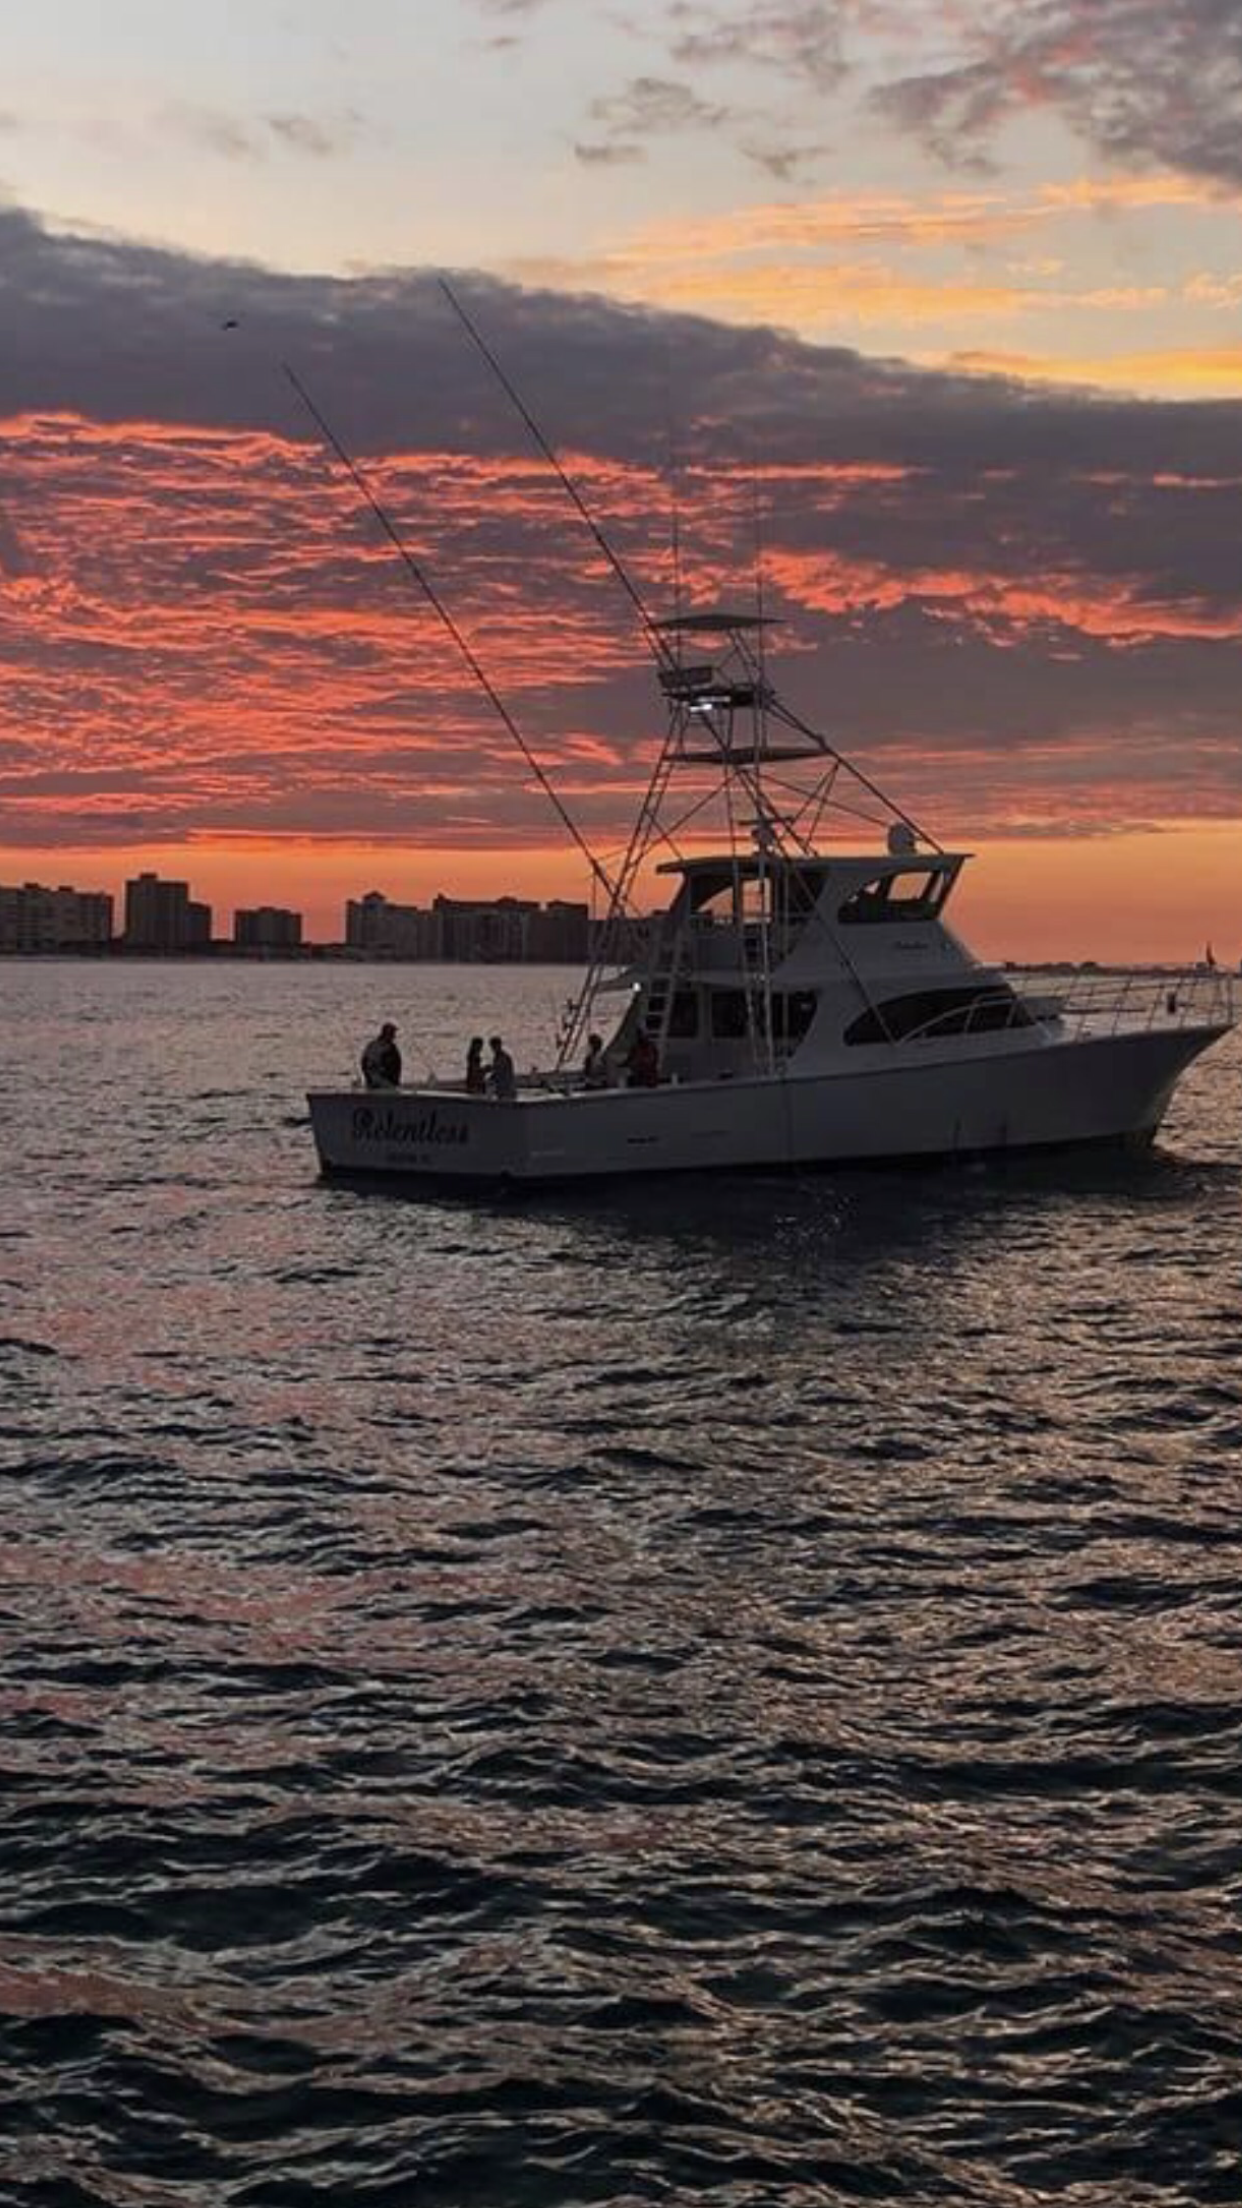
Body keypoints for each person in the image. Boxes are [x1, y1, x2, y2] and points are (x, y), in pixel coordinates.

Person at [361, 1020, 401, 1088]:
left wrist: (368, 1078)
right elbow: (394, 1067)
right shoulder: (390, 1048)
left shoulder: (371, 1045)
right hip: (386, 1083)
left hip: (371, 1082)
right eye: (393, 1033)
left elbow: (364, 1062)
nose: (394, 1036)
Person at [488, 1034, 517, 1101]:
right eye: (492, 1046)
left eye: (495, 1046)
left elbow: (498, 1068)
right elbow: (496, 1072)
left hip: (507, 1087)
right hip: (500, 1087)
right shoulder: (496, 1057)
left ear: (499, 1045)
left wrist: (489, 1068)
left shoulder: (504, 1057)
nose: (493, 1048)